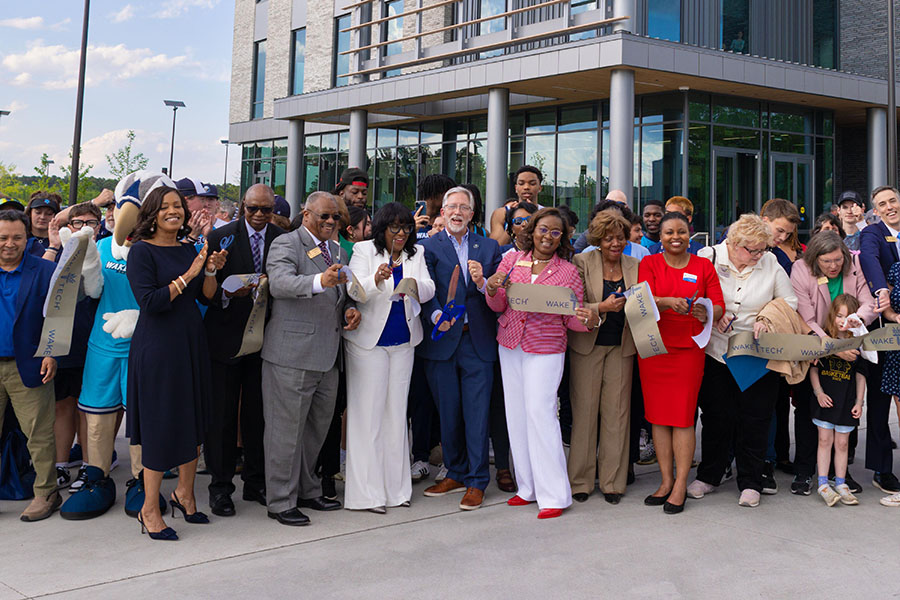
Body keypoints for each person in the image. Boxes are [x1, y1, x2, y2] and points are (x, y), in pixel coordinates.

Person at [484, 208, 596, 519]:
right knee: (517, 415)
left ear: (563, 237)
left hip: (545, 349)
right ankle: (527, 487)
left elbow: (572, 320)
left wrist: (588, 318)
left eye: (555, 232)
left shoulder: (568, 271)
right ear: (532, 231)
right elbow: (497, 304)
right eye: (543, 230)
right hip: (510, 344)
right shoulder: (511, 260)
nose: (547, 236)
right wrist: (492, 289)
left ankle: (554, 496)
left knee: (541, 414)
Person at [126, 186, 224, 540]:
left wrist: (209, 270)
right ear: (152, 214)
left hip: (189, 343)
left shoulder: (188, 250)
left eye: (178, 206)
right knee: (160, 426)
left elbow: (206, 298)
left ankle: (184, 493)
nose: (174, 212)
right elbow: (151, 302)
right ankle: (149, 508)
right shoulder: (140, 252)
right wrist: (190, 271)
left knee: (192, 419)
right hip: (157, 349)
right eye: (165, 207)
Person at [261, 191, 361, 526]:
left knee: (315, 431)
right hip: (292, 355)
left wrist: (349, 310)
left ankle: (306, 488)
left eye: (335, 217)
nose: (331, 222)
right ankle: (280, 500)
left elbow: (340, 293)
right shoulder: (287, 244)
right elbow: (280, 283)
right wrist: (321, 280)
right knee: (284, 433)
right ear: (306, 215)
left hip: (327, 356)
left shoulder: (336, 248)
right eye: (324, 217)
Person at [688, 214, 796, 508]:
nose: (758, 255)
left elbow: (789, 302)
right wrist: (713, 315)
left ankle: (751, 480)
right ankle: (710, 474)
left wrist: (766, 318)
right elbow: (693, 296)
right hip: (715, 351)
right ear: (734, 244)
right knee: (715, 416)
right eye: (752, 250)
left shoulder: (770, 262)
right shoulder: (708, 256)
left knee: (756, 418)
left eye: (763, 249)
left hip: (756, 353)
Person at [343, 203, 436, 512]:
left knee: (397, 416)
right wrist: (378, 279)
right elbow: (355, 291)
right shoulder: (363, 250)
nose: (401, 234)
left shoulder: (416, 253)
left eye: (406, 228)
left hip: (404, 340)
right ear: (381, 228)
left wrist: (413, 287)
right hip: (368, 342)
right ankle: (366, 496)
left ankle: (397, 492)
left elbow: (428, 287)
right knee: (367, 417)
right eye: (394, 228)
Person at [202, 184, 284, 517]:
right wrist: (227, 293)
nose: (260, 215)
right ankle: (220, 487)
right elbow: (203, 293)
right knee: (221, 417)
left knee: (258, 415)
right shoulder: (220, 237)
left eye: (266, 209)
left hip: (265, 339)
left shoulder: (282, 238)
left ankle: (255, 482)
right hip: (224, 339)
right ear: (242, 206)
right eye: (253, 209)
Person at [418, 186, 501, 511]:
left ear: (471, 213)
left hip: (477, 342)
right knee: (448, 412)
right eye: (450, 207)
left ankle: (478, 480)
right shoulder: (427, 247)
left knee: (477, 414)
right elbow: (423, 288)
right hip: (441, 341)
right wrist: (437, 314)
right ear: (442, 213)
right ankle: (455, 472)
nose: (456, 212)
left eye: (463, 207)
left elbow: (498, 294)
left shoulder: (490, 247)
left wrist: (482, 283)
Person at [639, 212, 724, 514]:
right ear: (659, 237)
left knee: (683, 418)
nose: (675, 237)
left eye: (682, 232)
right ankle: (665, 480)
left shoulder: (703, 266)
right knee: (659, 417)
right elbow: (642, 299)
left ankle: (680, 485)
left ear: (690, 234)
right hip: (654, 348)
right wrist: (665, 301)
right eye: (668, 232)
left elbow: (717, 302)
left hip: (688, 350)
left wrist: (706, 311)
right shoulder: (649, 263)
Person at [790, 231, 882, 495]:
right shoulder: (800, 269)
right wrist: (833, 349)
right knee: (809, 411)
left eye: (838, 260)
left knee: (845, 412)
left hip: (850, 344)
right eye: (827, 261)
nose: (833, 266)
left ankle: (839, 473)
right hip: (817, 346)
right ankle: (805, 470)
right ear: (814, 259)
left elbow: (867, 302)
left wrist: (858, 320)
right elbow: (805, 318)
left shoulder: (854, 264)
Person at [567, 211, 639, 505]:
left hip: (623, 347)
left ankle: (612, 482)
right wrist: (603, 306)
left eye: (620, 237)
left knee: (617, 416)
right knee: (584, 414)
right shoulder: (581, 262)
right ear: (597, 239)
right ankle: (581, 481)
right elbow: (574, 304)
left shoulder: (636, 264)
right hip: (588, 345)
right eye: (609, 237)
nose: (615, 243)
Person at [0, 210, 60, 522]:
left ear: (27, 238)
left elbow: (60, 317)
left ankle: (46, 492)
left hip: (32, 365)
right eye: (3, 238)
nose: (10, 244)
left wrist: (52, 353)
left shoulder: (45, 271)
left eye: (17, 238)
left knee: (38, 435)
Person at [857, 185, 900, 496]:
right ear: (876, 210)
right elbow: (870, 260)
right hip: (886, 327)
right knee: (880, 400)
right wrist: (881, 291)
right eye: (882, 204)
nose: (889, 207)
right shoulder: (872, 234)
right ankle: (882, 469)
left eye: (893, 201)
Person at [810, 294, 868, 506]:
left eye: (848, 316)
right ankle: (823, 484)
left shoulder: (858, 343)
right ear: (832, 316)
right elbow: (813, 370)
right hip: (825, 401)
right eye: (839, 316)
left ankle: (841, 483)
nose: (842, 321)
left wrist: (859, 402)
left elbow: (861, 375)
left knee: (842, 444)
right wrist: (818, 393)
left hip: (847, 402)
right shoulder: (824, 340)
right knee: (824, 441)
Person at [489, 166, 543, 245]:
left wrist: (535, 215)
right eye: (521, 183)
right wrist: (512, 221)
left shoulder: (545, 213)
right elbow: (495, 247)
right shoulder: (501, 213)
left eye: (532, 183)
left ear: (540, 188)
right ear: (516, 188)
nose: (526, 187)